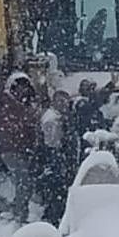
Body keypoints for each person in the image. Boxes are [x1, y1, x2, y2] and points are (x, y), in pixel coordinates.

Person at [0, 72, 39, 221]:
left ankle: (18, 210)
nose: (23, 92)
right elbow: (21, 124)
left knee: (23, 182)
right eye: (19, 88)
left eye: (25, 88)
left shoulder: (12, 106)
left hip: (17, 150)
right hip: (12, 150)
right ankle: (19, 213)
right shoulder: (9, 106)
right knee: (24, 182)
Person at [37, 90, 74, 225]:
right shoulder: (52, 118)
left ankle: (53, 215)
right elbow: (51, 141)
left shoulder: (58, 116)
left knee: (57, 188)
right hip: (53, 156)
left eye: (66, 101)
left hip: (57, 156)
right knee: (56, 187)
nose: (64, 104)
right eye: (61, 101)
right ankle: (52, 217)